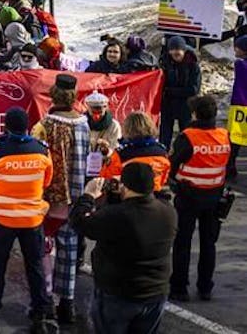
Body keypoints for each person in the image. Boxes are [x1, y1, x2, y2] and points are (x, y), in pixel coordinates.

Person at [0, 107, 54, 334]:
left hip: (2, 221)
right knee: (35, 268)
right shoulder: (42, 151)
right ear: (27, 125)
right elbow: (47, 181)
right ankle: (39, 318)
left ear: (5, 127)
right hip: (32, 220)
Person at [70, 164, 177, 334]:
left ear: (125, 187)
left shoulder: (116, 216)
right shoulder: (168, 212)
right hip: (155, 292)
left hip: (118, 293)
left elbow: (79, 222)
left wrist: (88, 196)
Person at [31, 73, 88, 325]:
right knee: (70, 249)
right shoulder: (84, 124)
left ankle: (47, 302)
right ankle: (68, 302)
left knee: (46, 250)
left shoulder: (46, 124)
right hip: (76, 195)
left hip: (52, 197)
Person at [169, 95, 230, 301]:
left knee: (182, 243)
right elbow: (228, 167)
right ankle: (205, 287)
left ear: (194, 114)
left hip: (188, 196)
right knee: (208, 243)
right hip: (214, 197)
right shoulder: (224, 135)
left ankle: (179, 288)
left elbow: (173, 164)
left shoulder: (188, 136)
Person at [100, 112, 171, 196]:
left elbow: (106, 178)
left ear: (126, 129)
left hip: (128, 199)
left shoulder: (122, 154)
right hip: (154, 197)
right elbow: (164, 178)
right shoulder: (162, 152)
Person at [159, 35, 201, 149]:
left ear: (183, 50)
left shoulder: (193, 65)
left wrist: (171, 91)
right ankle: (163, 155)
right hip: (168, 104)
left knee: (186, 134)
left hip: (186, 105)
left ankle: (185, 155)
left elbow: (193, 89)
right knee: (165, 135)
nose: (175, 53)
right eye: (172, 50)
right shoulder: (165, 62)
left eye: (178, 50)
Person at [227, 35, 247, 180]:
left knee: (235, 138)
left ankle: (230, 166)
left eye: (238, 47)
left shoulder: (240, 65)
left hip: (239, 105)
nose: (235, 49)